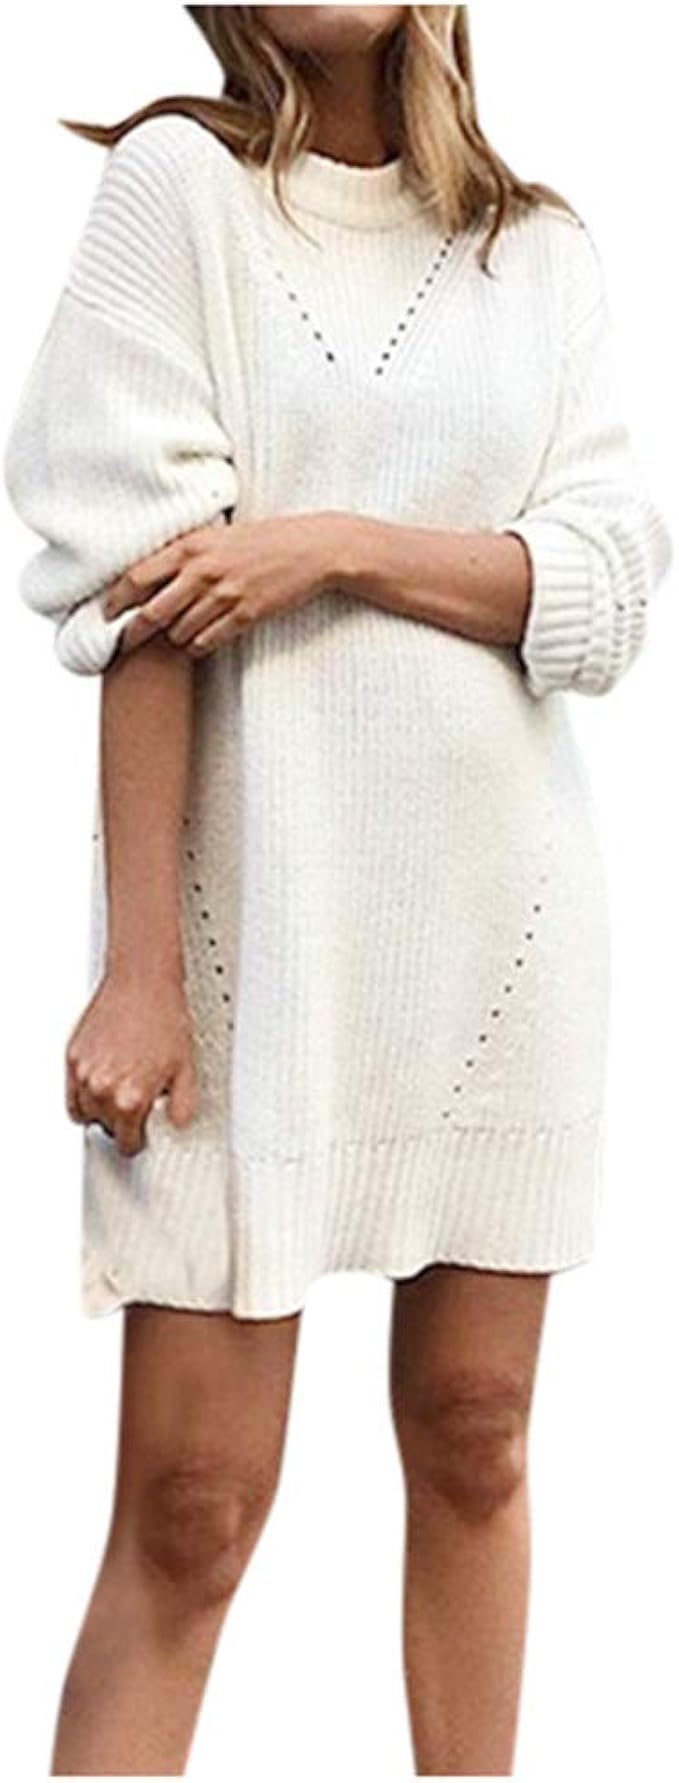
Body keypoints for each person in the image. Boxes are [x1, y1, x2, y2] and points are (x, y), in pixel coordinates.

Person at [3, 4, 672, 1774]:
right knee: (194, 1504)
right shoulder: (179, 193)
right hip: (249, 954)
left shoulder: (541, 253)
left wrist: (337, 545)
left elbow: (607, 591)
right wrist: (139, 970)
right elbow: (141, 590)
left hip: (505, 942)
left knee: (477, 1433)